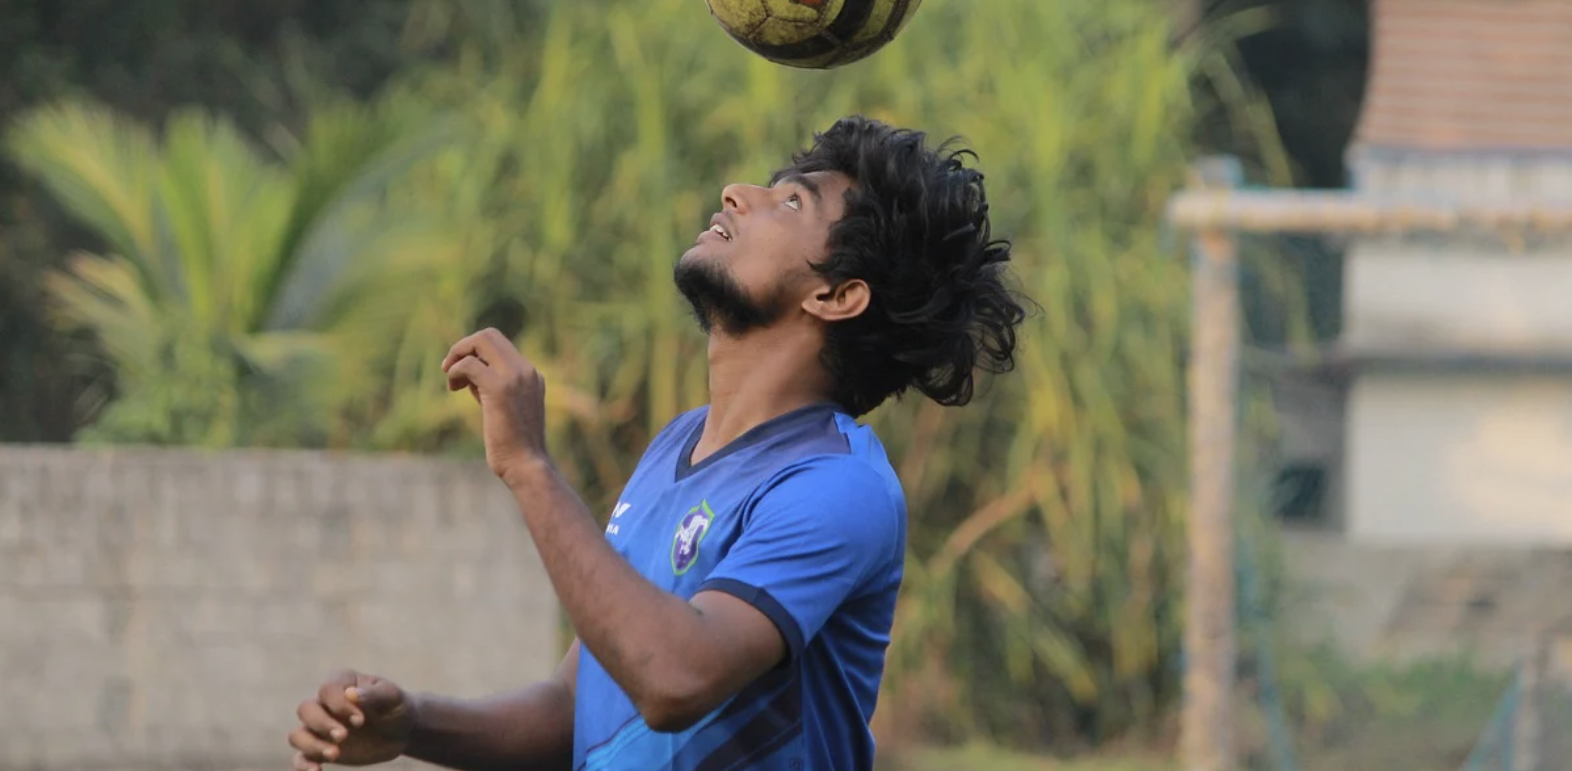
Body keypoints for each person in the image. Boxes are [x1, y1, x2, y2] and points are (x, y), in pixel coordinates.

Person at [287, 115, 1027, 771]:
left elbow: (672, 679)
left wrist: (530, 468)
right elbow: (575, 705)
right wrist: (413, 723)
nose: (739, 192)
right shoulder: (677, 447)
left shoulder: (837, 485)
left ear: (836, 295)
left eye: (792, 201)